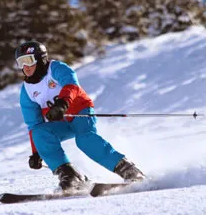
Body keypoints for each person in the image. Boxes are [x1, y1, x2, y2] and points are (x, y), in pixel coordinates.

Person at [16, 41, 145, 192]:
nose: (25, 67)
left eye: (28, 60)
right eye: (20, 63)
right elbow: (33, 124)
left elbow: (71, 85)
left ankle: (130, 172)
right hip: (61, 122)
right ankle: (71, 177)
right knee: (40, 133)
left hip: (80, 112)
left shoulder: (56, 68)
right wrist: (37, 152)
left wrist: (63, 103)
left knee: (84, 140)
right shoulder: (27, 91)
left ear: (41, 59)